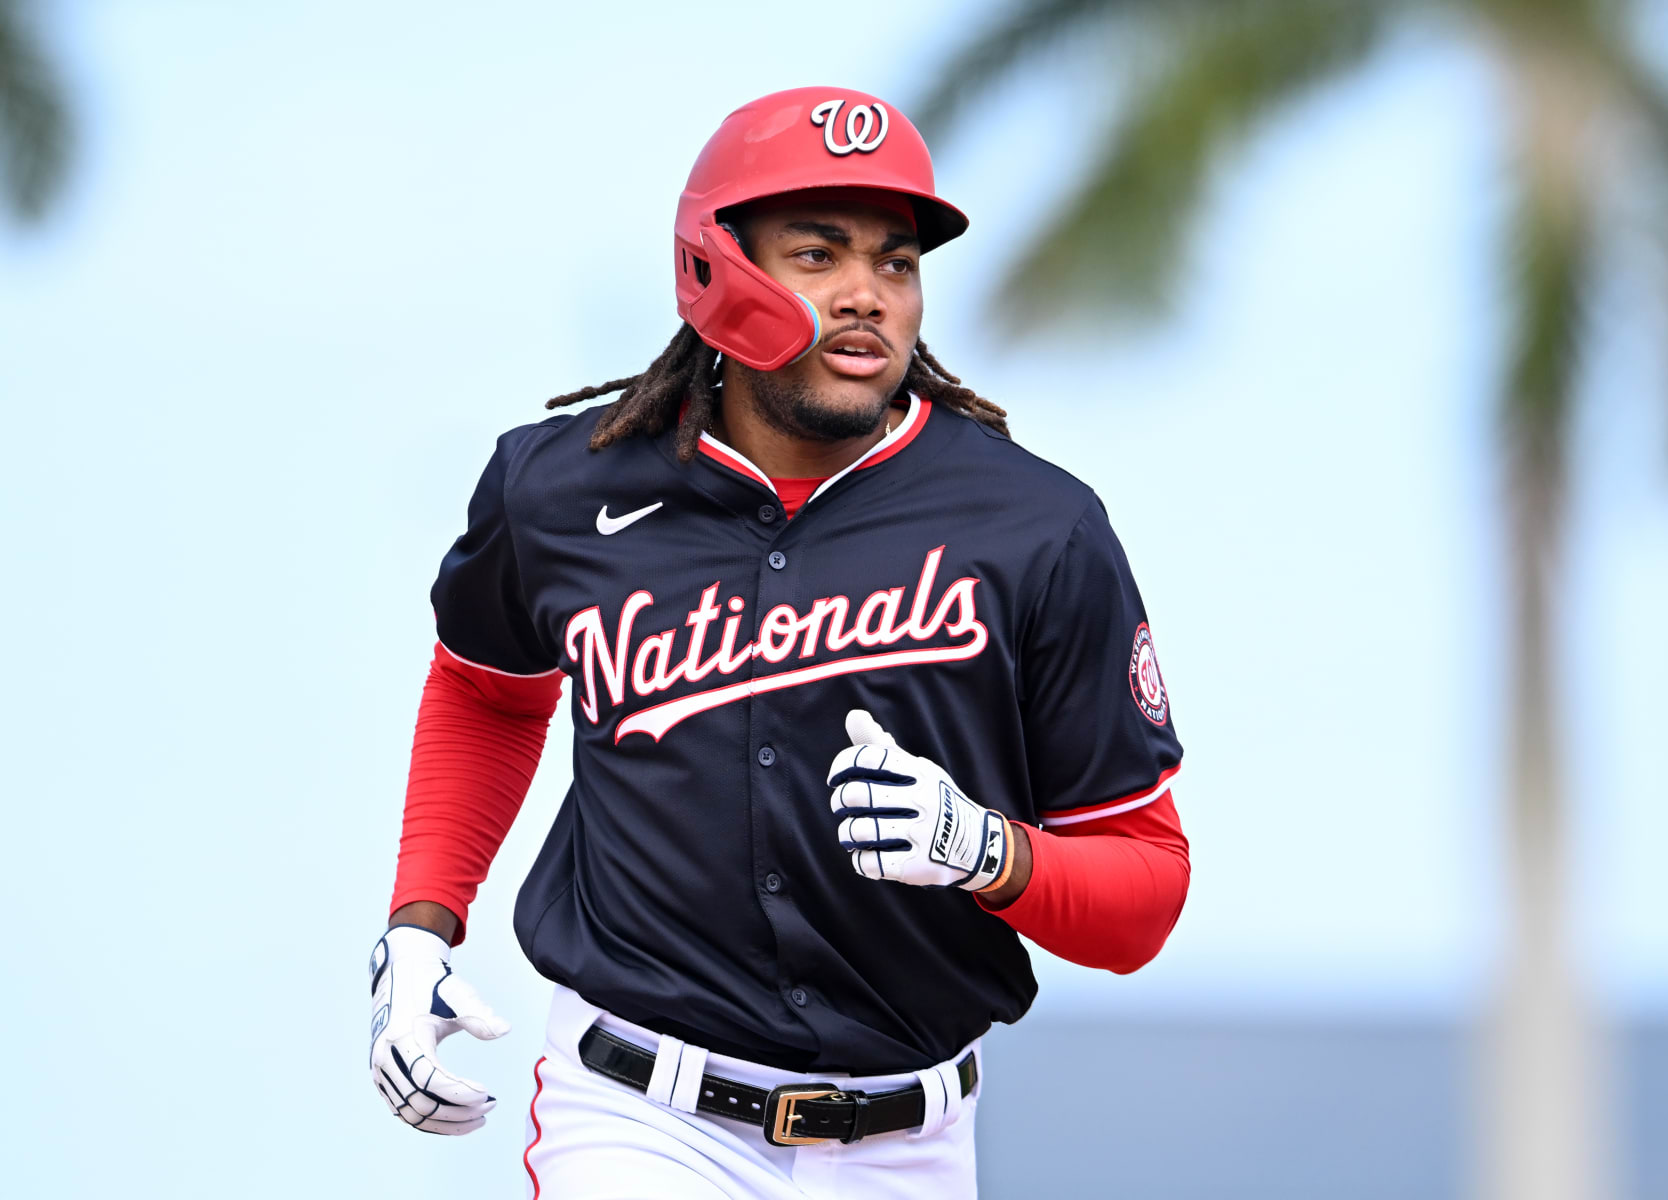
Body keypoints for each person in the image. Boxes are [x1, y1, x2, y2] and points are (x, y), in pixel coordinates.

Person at [368, 85, 1190, 1199]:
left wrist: (988, 853)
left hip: (912, 1141)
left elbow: (1144, 887)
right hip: (643, 1119)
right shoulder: (562, 489)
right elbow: (488, 691)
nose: (867, 295)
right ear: (715, 271)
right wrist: (421, 924)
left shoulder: (1036, 527)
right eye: (818, 253)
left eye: (896, 264)